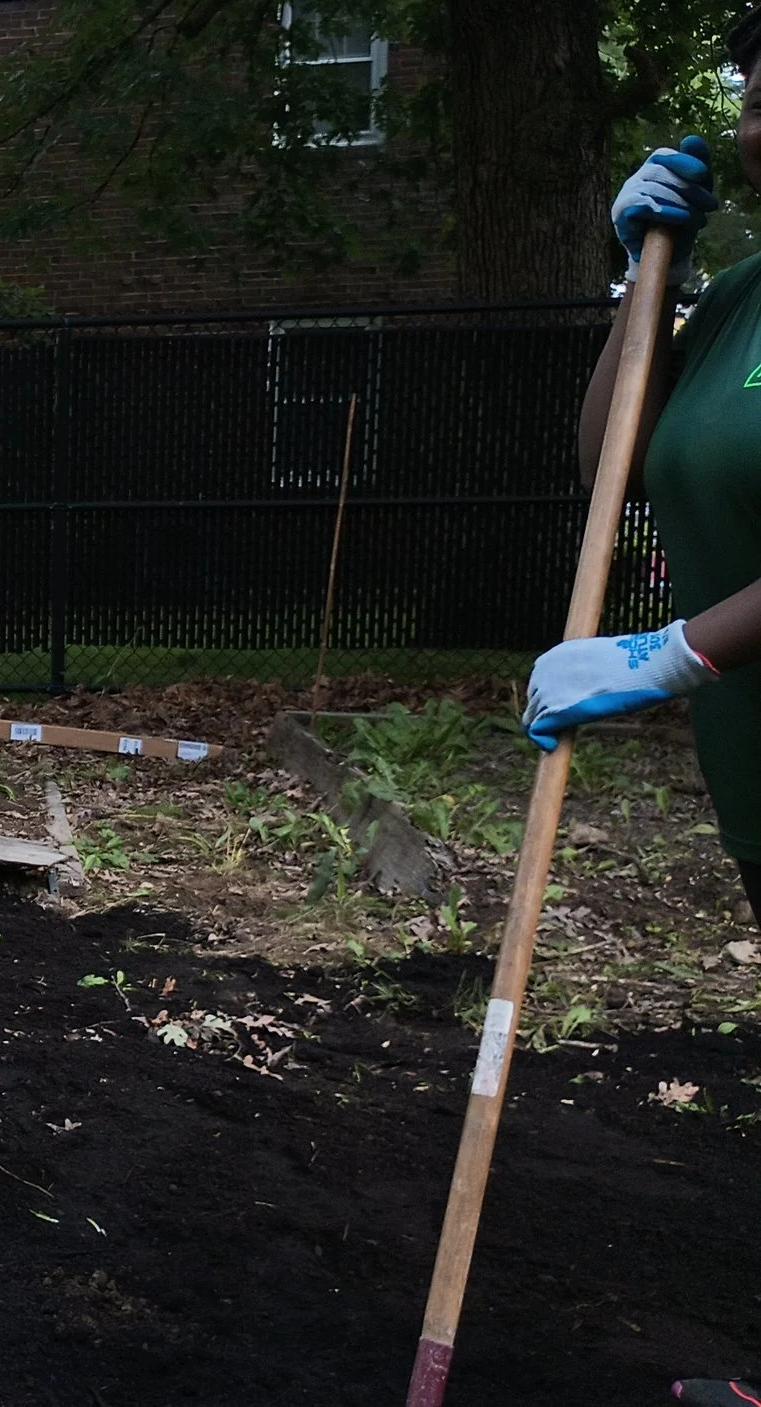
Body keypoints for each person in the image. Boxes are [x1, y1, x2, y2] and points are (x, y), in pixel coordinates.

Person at [529, 16, 761, 1403]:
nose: (760, 119)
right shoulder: (736, 299)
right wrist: (642, 284)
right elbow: (602, 459)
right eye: (755, 94)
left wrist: (672, 653)